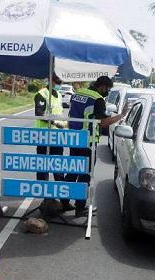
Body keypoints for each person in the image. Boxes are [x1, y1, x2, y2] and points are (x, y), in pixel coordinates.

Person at [63, 76, 128, 217]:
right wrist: (121, 115)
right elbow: (103, 123)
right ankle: (80, 208)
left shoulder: (78, 93)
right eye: (107, 89)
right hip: (87, 142)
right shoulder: (98, 99)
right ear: (102, 87)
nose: (107, 92)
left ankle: (64, 202)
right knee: (84, 175)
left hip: (73, 139)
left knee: (72, 171)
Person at [34, 74, 73, 212]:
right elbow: (39, 113)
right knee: (43, 168)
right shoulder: (41, 94)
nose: (59, 84)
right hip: (43, 137)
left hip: (57, 137)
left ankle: (64, 202)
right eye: (58, 81)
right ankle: (46, 200)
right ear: (50, 80)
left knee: (58, 168)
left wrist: (64, 124)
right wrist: (55, 122)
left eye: (61, 82)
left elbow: (59, 113)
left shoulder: (58, 95)